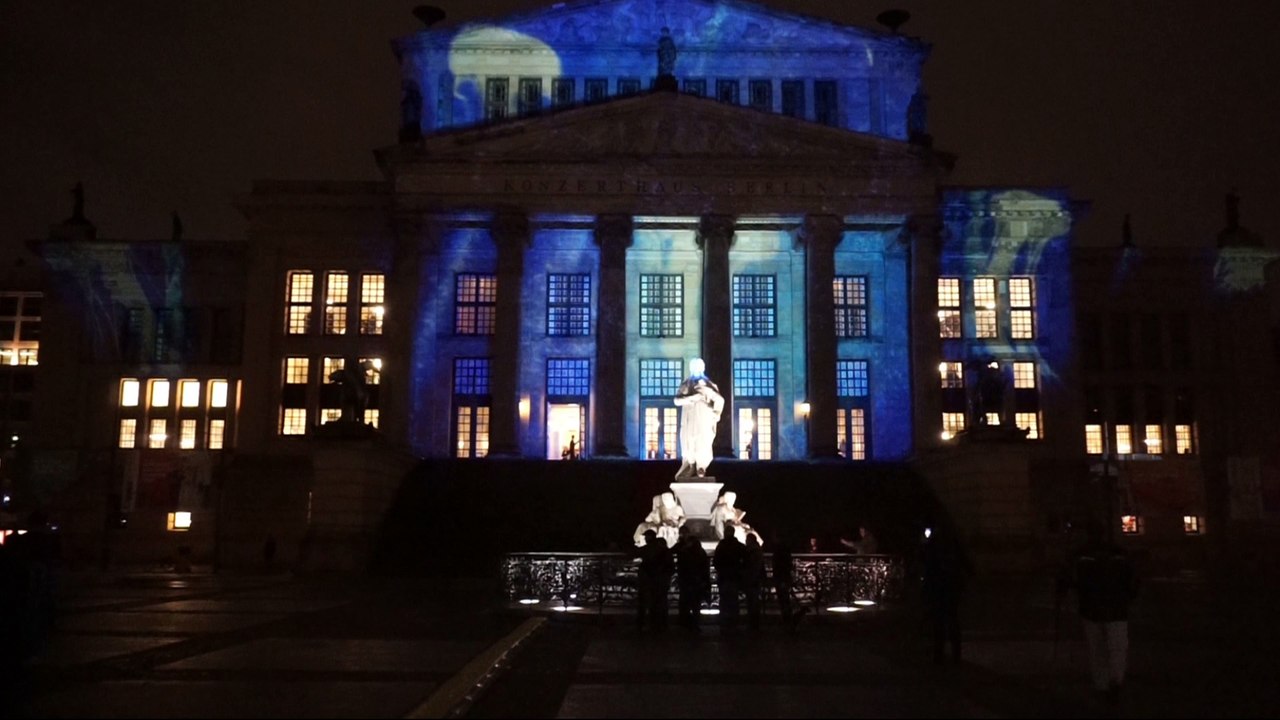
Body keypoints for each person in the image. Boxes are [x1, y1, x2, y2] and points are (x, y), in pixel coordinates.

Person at [1058, 522, 1138, 703]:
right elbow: (1132, 580)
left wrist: (1065, 586)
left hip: (1092, 608)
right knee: (1115, 647)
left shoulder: (1081, 556)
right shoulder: (1119, 555)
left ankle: (1103, 683)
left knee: (1098, 648)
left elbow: (1071, 580)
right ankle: (1114, 680)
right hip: (1115, 608)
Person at [920, 525, 972, 665]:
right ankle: (955, 654)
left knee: (939, 622)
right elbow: (966, 564)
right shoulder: (953, 546)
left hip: (940, 586)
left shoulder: (934, 547)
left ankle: (939, 654)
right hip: (951, 586)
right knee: (951, 620)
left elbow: (928, 566)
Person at [673, 358, 724, 479]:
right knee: (688, 441)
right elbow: (676, 400)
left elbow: (720, 399)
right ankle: (691, 465)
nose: (696, 369)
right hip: (689, 418)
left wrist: (716, 412)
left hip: (704, 418)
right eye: (694, 367)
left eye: (698, 367)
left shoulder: (709, 384)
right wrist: (691, 398)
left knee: (703, 441)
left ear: (702, 368)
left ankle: (701, 467)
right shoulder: (686, 384)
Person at [636, 529, 673, 632]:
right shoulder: (663, 549)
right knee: (660, 602)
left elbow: (636, 553)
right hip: (660, 580)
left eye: (646, 537)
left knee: (647, 602)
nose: (645, 538)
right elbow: (670, 566)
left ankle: (645, 623)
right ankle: (661, 623)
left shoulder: (648, 549)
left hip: (649, 580)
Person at [674, 526, 710, 631]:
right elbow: (705, 567)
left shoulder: (685, 552)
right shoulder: (700, 552)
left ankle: (686, 623)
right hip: (696, 581)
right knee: (695, 604)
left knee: (687, 603)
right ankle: (694, 623)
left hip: (688, 581)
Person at [712, 521, 745, 628]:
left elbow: (716, 560)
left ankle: (724, 620)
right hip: (734, 576)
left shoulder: (721, 545)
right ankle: (734, 620)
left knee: (724, 599)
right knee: (734, 600)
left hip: (724, 576)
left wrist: (720, 569)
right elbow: (745, 559)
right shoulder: (739, 546)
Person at [743, 534, 765, 630]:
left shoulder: (751, 551)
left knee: (752, 602)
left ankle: (753, 623)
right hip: (755, 579)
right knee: (754, 602)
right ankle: (755, 623)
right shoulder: (757, 550)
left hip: (752, 579)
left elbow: (751, 565)